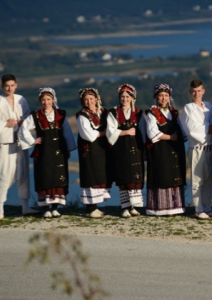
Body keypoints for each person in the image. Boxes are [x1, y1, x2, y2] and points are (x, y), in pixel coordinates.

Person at [0, 74, 39, 221]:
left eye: (12, 85)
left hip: (20, 144)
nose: (10, 88)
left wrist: (22, 122)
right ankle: (0, 210)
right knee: (2, 175)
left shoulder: (21, 99)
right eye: (7, 85)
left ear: (16, 85)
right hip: (5, 145)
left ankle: (25, 207)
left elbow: (29, 117)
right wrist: (4, 124)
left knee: (23, 175)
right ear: (2, 86)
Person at [19, 87, 77, 218]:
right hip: (43, 152)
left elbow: (67, 132)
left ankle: (55, 208)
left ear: (53, 100)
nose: (46, 102)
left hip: (59, 151)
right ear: (40, 101)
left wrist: (68, 149)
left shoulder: (61, 114)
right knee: (45, 177)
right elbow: (23, 129)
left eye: (48, 99)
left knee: (58, 178)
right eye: (43, 100)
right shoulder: (36, 115)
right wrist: (33, 141)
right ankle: (45, 208)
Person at [144, 84, 186, 216]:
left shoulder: (173, 112)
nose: (163, 98)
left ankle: (175, 207)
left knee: (174, 175)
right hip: (160, 151)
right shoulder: (152, 113)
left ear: (169, 97)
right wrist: (171, 137)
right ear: (156, 97)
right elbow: (152, 133)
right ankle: (160, 208)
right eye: (161, 95)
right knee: (162, 175)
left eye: (166, 96)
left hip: (174, 150)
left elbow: (182, 131)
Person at [181, 79, 212, 220]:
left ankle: (207, 208)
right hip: (197, 148)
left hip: (210, 148)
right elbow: (192, 129)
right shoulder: (188, 108)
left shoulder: (208, 106)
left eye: (199, 91)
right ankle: (198, 209)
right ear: (190, 92)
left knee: (209, 179)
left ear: (203, 91)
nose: (196, 93)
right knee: (197, 180)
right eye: (194, 91)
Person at [106, 84, 145, 218]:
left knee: (135, 176)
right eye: (122, 96)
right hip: (121, 149)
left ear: (132, 98)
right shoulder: (113, 112)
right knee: (123, 177)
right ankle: (125, 207)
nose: (124, 99)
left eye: (127, 96)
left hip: (135, 149)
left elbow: (143, 132)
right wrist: (126, 131)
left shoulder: (139, 113)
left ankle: (133, 206)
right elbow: (110, 132)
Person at [76, 88, 112, 219]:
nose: (89, 101)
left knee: (100, 175)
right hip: (89, 150)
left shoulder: (104, 112)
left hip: (102, 149)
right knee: (91, 175)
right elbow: (89, 135)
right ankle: (90, 208)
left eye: (91, 99)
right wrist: (105, 133)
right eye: (86, 99)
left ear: (97, 99)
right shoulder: (82, 115)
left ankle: (95, 206)